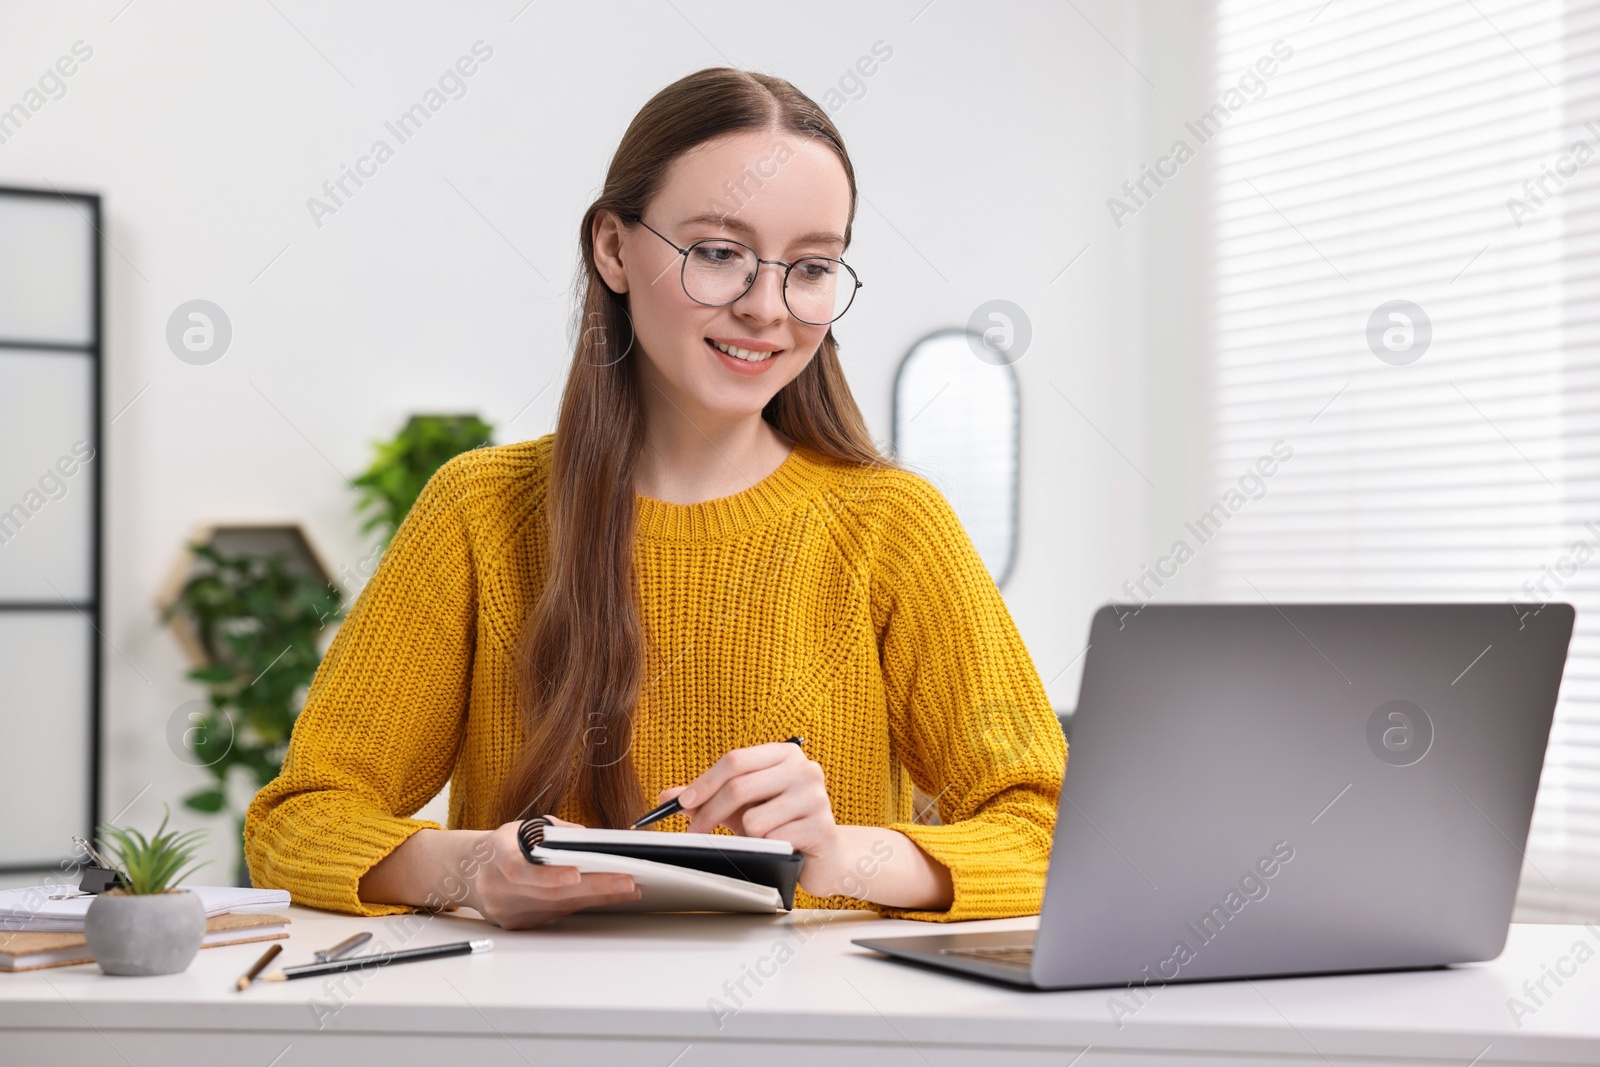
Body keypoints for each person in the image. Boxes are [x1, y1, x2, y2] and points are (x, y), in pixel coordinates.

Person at [244, 66, 1066, 930]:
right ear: (613, 249)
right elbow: (300, 820)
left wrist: (842, 852)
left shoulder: (892, 525)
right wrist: (472, 867)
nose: (767, 308)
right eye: (719, 253)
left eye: (813, 266)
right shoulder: (478, 512)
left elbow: (1049, 833)